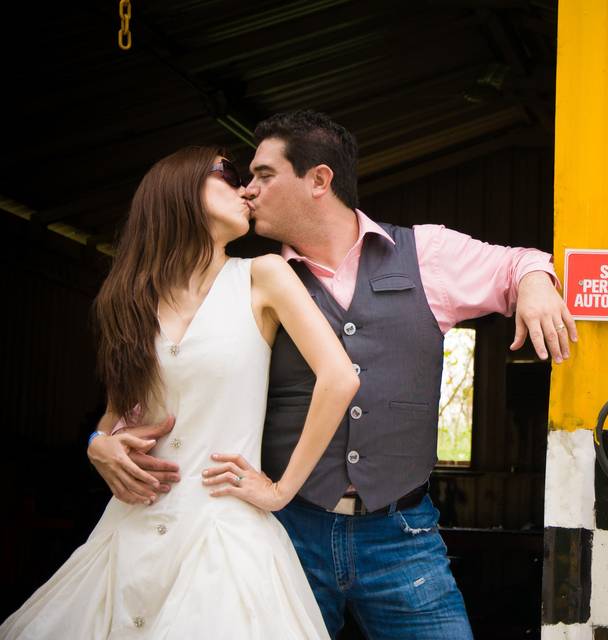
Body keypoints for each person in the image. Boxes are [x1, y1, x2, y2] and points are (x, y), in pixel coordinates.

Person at [90, 110, 578, 639]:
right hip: (286, 527)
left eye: (264, 175)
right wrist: (99, 439)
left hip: (401, 531)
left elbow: (516, 262)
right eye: (242, 179)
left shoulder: (426, 253)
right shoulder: (250, 281)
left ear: (319, 179)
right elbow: (170, 378)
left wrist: (533, 280)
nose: (249, 191)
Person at [1, 147, 359, 639]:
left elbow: (340, 378)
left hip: (224, 536)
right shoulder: (127, 300)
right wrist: (96, 445)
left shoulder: (263, 276)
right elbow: (115, 417)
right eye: (228, 175)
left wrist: (280, 492)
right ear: (180, 190)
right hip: (131, 532)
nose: (246, 190)